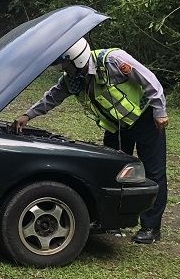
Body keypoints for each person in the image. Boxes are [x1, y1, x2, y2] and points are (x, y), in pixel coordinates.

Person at [12, 38, 168, 244]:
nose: (63, 69)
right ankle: (115, 224)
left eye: (65, 64)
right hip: (116, 129)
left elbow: (149, 80)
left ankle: (151, 227)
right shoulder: (73, 79)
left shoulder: (113, 60)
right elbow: (53, 97)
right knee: (115, 175)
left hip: (146, 121)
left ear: (76, 59)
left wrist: (160, 111)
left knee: (154, 172)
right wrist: (28, 115)